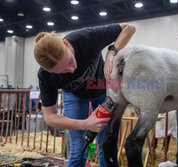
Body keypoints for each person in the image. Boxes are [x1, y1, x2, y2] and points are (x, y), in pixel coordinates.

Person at [33, 23, 135, 167]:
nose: (72, 69)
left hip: (102, 91)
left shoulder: (86, 38)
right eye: (62, 71)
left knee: (106, 145)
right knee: (78, 147)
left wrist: (112, 52)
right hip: (74, 96)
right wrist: (85, 124)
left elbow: (129, 28)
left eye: (69, 61)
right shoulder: (45, 76)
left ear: (67, 44)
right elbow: (50, 117)